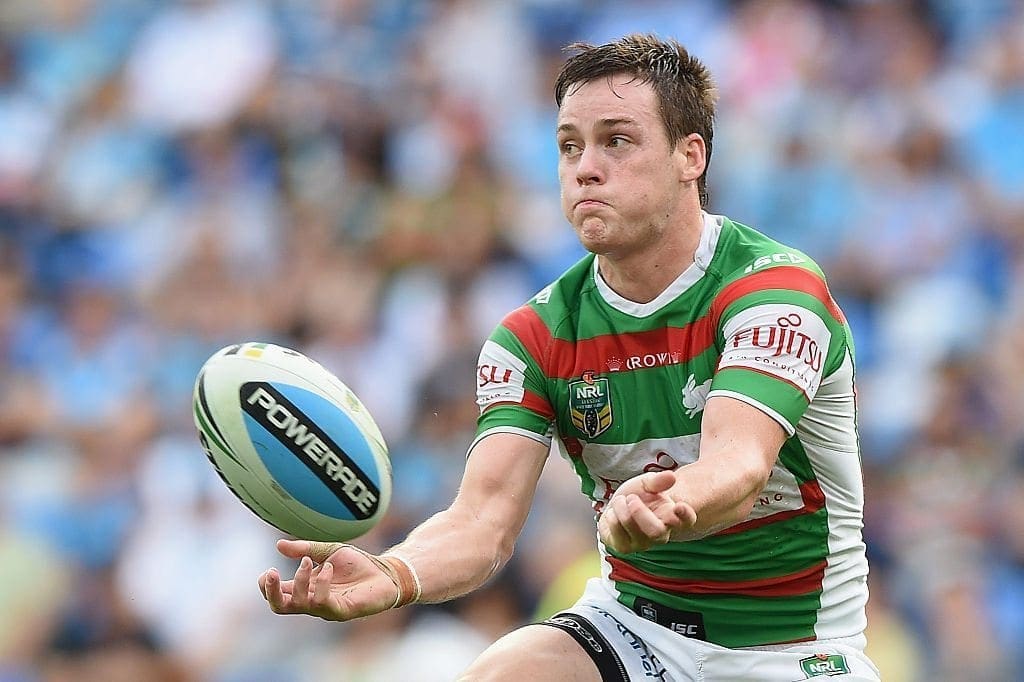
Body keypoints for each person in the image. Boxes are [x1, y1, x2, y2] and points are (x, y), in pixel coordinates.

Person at [258, 34, 880, 681]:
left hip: (790, 646)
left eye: (617, 140)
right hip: (636, 625)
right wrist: (393, 574)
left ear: (689, 155)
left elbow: (741, 466)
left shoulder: (772, 293)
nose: (585, 167)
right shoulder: (531, 336)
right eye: (569, 146)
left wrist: (668, 502)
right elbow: (483, 522)